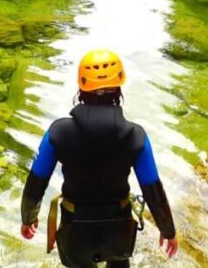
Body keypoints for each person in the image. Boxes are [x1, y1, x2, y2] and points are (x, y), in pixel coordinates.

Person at [20, 49, 178, 267]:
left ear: (81, 87)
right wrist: (168, 231)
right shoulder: (136, 136)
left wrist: (28, 219)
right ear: (119, 86)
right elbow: (153, 190)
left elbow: (36, 182)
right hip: (118, 231)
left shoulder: (58, 133)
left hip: (74, 230)